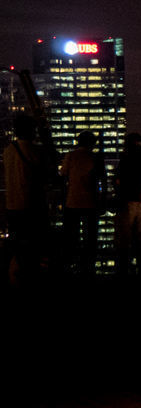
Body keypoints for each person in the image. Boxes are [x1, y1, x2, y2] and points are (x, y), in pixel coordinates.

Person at [4, 115, 53, 286]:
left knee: (18, 245)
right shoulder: (35, 151)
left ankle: (15, 277)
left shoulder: (8, 150)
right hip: (31, 206)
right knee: (34, 246)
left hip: (12, 205)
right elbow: (47, 175)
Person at [60, 130, 106, 278]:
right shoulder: (95, 158)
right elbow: (103, 181)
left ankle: (70, 266)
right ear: (92, 143)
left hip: (72, 201)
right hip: (91, 202)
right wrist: (102, 199)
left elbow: (62, 174)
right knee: (90, 238)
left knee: (71, 236)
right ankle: (88, 268)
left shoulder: (71, 156)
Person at [115, 132, 141, 278]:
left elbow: (118, 180)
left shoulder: (124, 160)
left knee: (125, 237)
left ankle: (124, 270)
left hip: (126, 200)